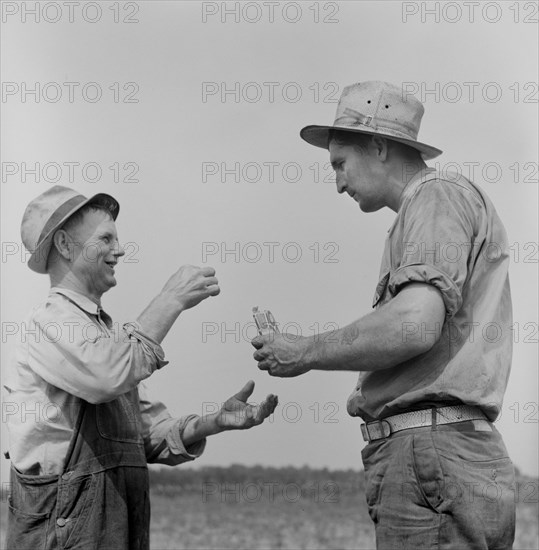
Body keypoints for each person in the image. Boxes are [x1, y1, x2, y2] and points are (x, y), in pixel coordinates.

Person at [252, 81, 515, 549]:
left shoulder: (436, 198)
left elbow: (414, 324)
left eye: (339, 163)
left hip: (432, 453)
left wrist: (304, 351)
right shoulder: (425, 209)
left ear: (377, 145)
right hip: (435, 453)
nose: (338, 184)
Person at [4, 185, 278, 550]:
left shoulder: (109, 339)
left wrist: (215, 421)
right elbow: (108, 375)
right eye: (105, 238)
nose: (119, 250)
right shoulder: (48, 323)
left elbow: (147, 436)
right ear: (66, 246)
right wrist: (171, 299)